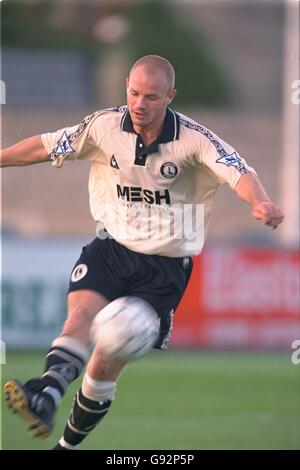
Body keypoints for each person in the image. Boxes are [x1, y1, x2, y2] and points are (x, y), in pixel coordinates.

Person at [1, 55, 284, 450]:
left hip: (163, 269)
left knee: (104, 362)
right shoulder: (103, 126)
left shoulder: (194, 140)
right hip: (110, 247)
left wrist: (261, 203)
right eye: (134, 93)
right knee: (80, 317)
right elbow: (46, 146)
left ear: (170, 96)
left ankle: (65, 445)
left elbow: (239, 171)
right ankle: (45, 395)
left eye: (151, 96)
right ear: (126, 89)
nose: (140, 103)